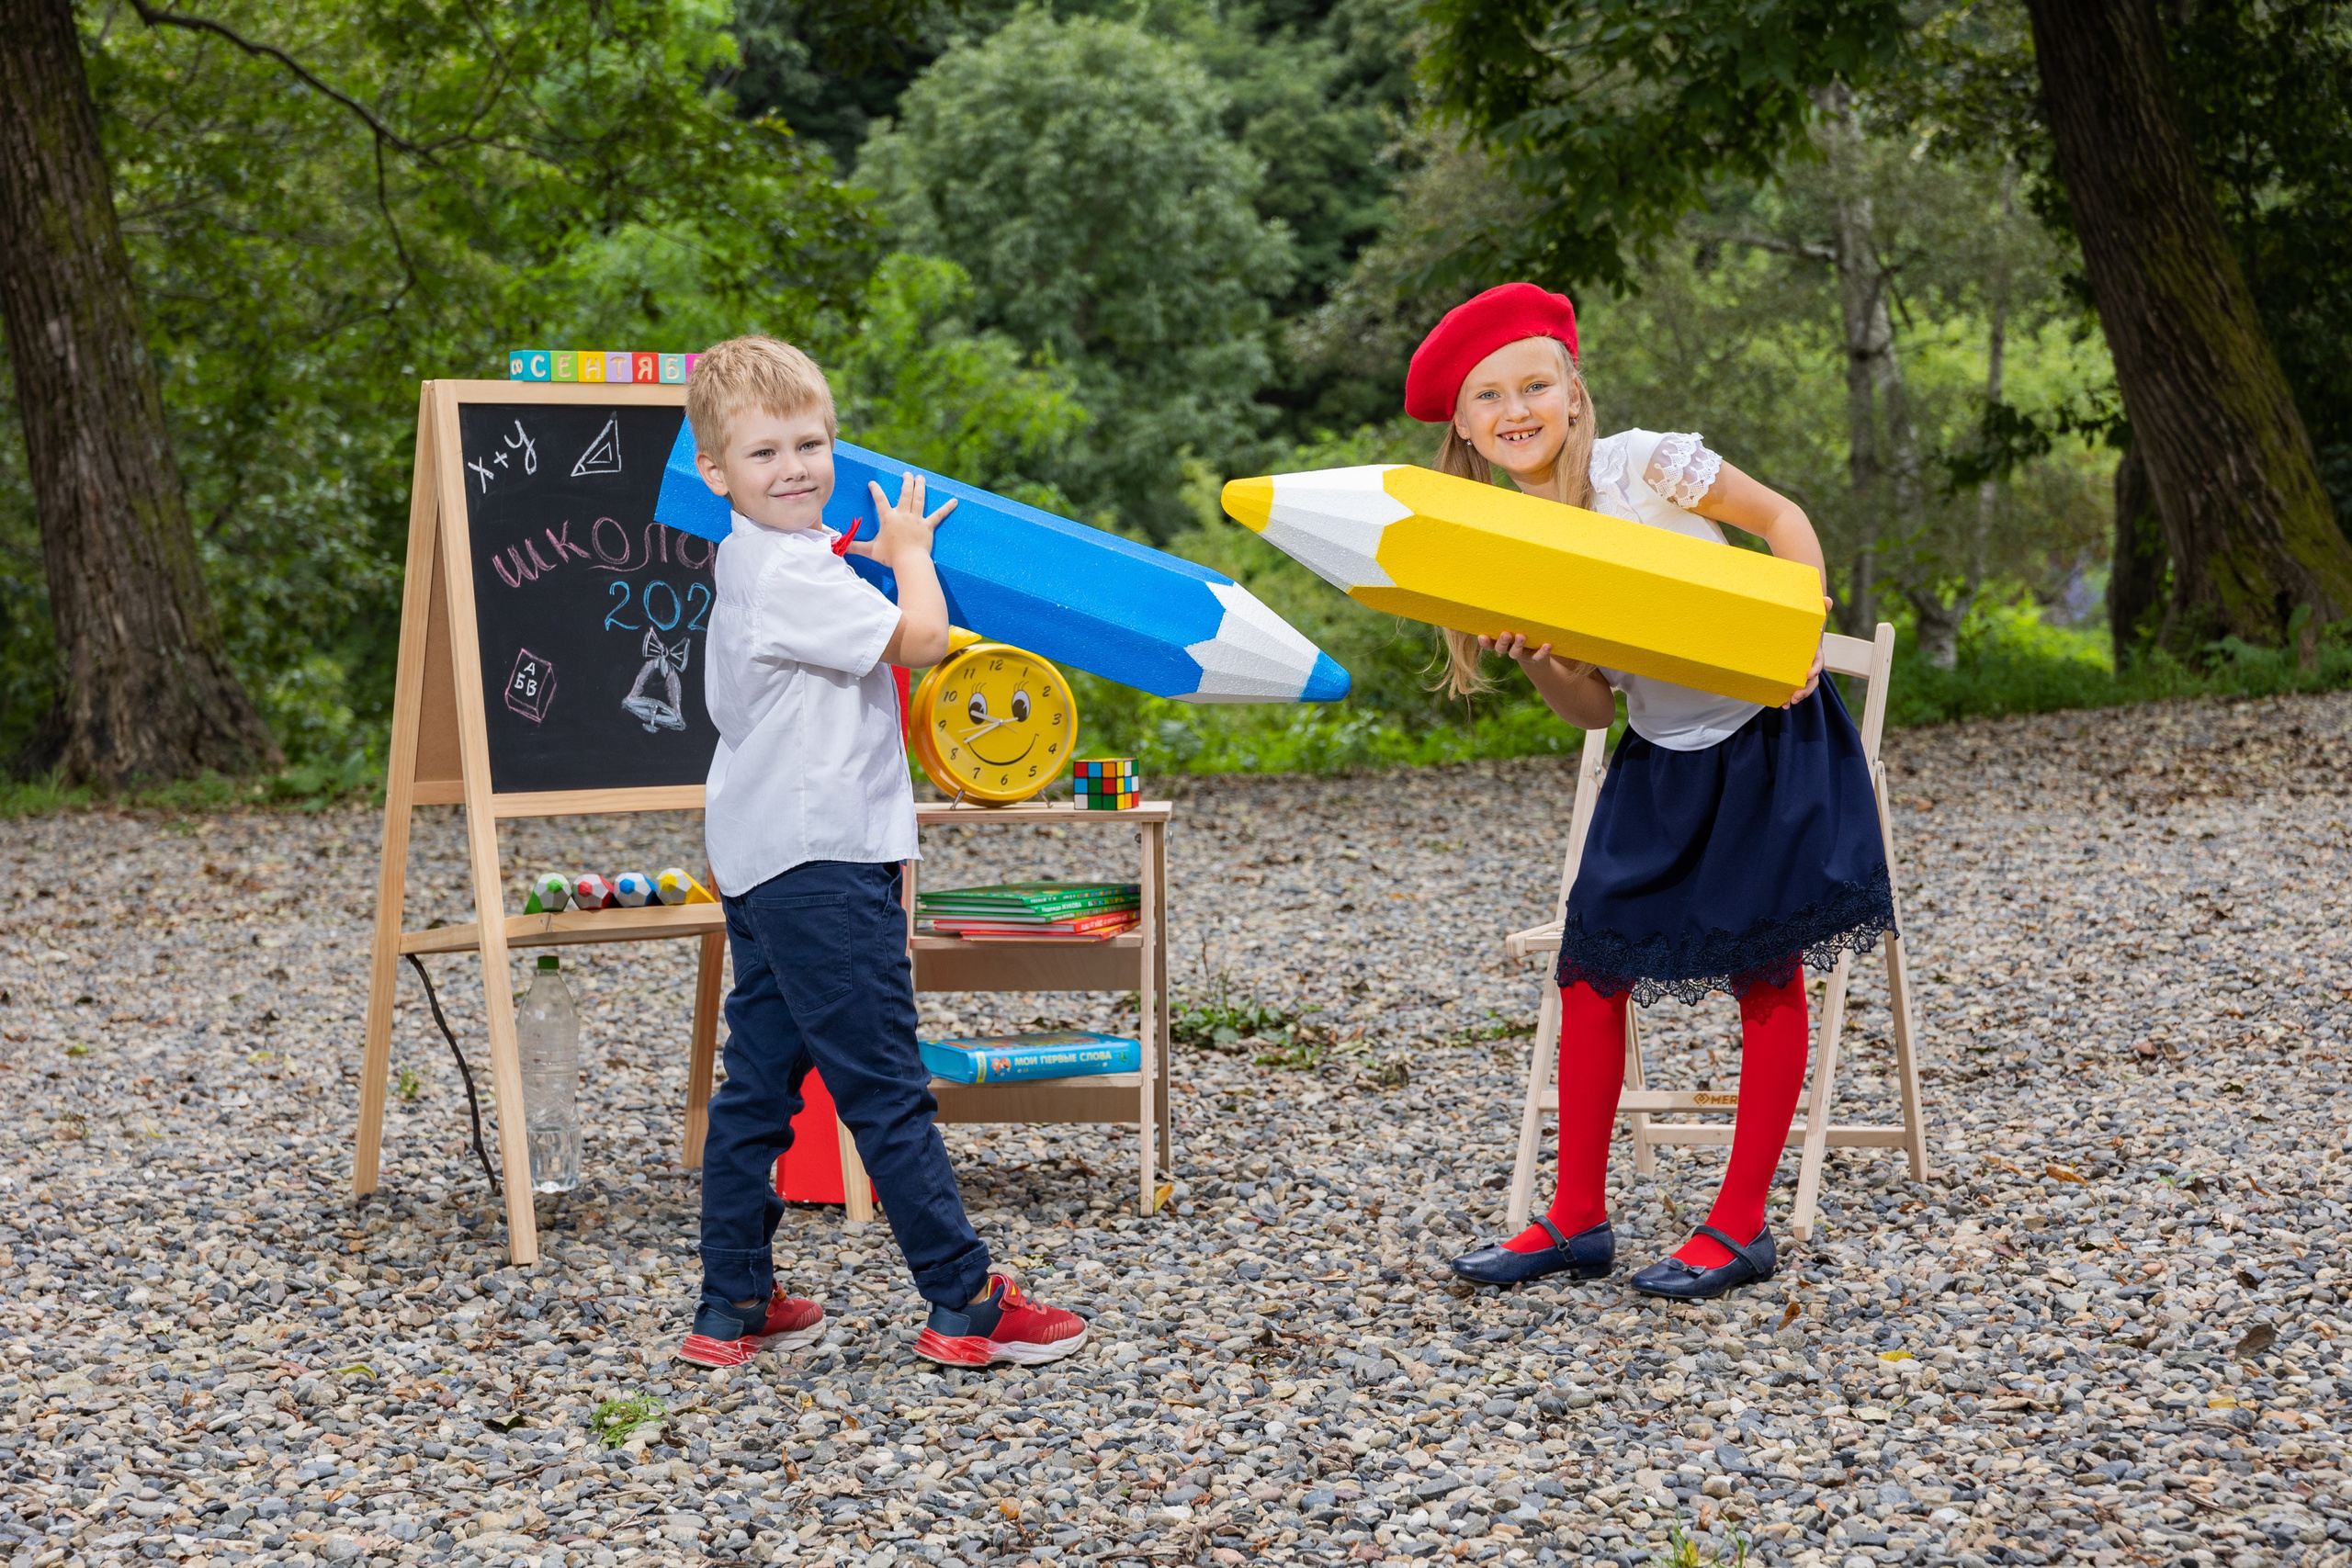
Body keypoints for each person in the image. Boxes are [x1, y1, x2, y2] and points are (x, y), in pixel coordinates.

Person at [1417, 285, 1896, 1301]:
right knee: (1590, 973)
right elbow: (1591, 709)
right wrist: (1540, 657)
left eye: (1534, 385)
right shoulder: (1504, 540)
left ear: (1572, 389)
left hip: (1768, 741)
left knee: (1764, 976)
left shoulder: (1644, 463)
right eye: (1491, 396)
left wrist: (1796, 628)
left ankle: (1739, 1225)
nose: (1517, 409)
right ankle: (1577, 1219)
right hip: (1655, 759)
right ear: (1463, 426)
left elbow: (1781, 519)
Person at [680, 334, 1091, 1367]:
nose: (794, 469)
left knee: (757, 1089)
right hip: (824, 863)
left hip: (768, 859)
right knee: (885, 1084)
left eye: (810, 444)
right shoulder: (788, 573)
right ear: (714, 473)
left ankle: (731, 1303)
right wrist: (911, 553)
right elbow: (919, 642)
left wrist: (857, 561)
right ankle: (965, 1302)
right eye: (764, 453)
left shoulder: (755, 559)